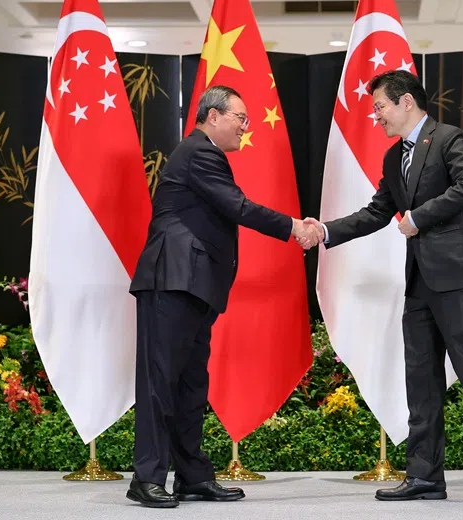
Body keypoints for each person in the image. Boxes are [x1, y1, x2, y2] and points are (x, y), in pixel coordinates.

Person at [305, 70, 463, 503]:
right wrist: (324, 231)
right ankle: (425, 475)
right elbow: (378, 211)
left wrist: (418, 217)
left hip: (459, 277)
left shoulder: (449, 138)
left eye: (379, 106)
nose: (374, 115)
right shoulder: (393, 157)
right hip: (419, 282)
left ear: (406, 103)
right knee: (421, 377)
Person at [126, 85, 319, 508]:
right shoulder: (200, 152)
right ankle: (146, 478)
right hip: (171, 281)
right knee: (161, 383)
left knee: (192, 384)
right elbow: (238, 207)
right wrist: (293, 227)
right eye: (240, 118)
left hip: (194, 284)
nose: (246, 128)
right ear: (213, 116)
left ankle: (192, 477)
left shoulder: (202, 154)